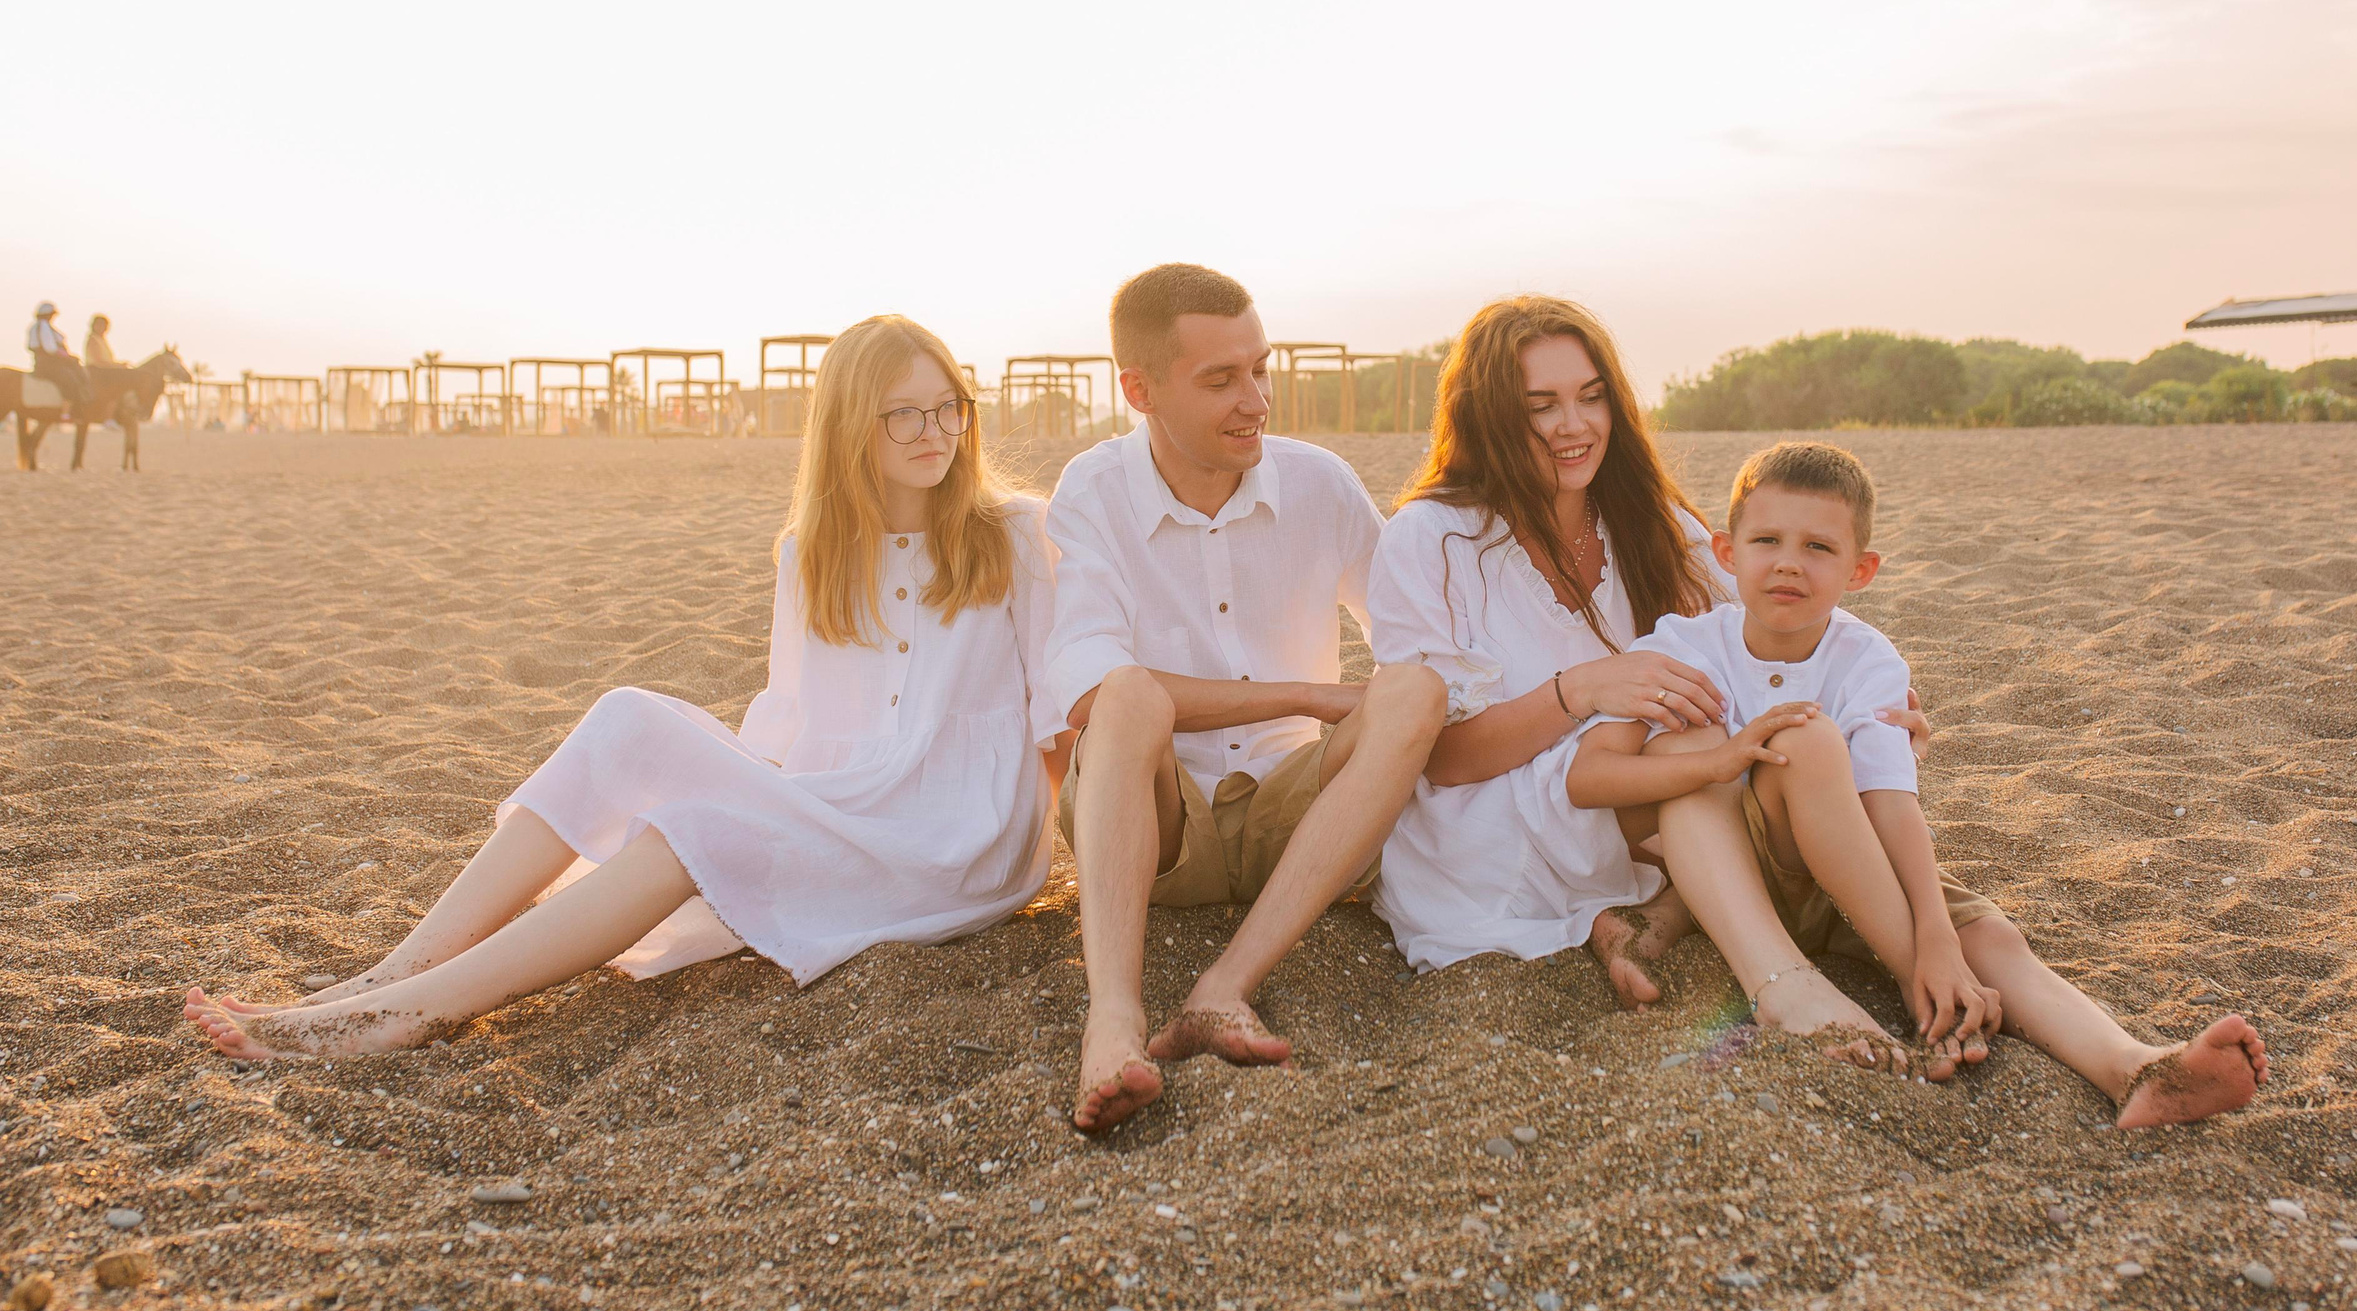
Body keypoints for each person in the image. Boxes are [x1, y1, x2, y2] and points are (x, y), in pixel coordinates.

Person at [185, 315, 1067, 1058]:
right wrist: (744, 800)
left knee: (692, 828)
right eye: (901, 414)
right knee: (628, 719)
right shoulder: (814, 551)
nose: (934, 432)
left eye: (948, 406)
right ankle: (392, 973)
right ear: (847, 427)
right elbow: (789, 716)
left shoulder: (1019, 535)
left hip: (952, 837)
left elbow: (1066, 712)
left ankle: (398, 1017)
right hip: (834, 802)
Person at [1567, 441, 2268, 1122]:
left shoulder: (1867, 658)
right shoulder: (1685, 646)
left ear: (1861, 569)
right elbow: (1588, 777)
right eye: (1767, 541)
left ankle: (2134, 1066)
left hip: (1846, 869)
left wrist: (1933, 935)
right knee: (1770, 737)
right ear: (1727, 551)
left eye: (1818, 547)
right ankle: (1852, 987)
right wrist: (1718, 761)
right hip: (1729, 878)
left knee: (1989, 940)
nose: (1788, 563)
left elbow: (1890, 801)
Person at [1046, 263, 1446, 1135]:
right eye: (1221, 379)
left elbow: (1419, 643)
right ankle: (1113, 1014)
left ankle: (1223, 987)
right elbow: (1087, 689)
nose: (1256, 400)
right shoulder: (1093, 490)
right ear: (1139, 390)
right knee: (1123, 695)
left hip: (1293, 822)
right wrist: (1305, 691)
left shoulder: (1321, 482)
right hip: (1157, 828)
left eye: (1260, 369)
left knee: (1414, 689)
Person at [1367, 296, 1737, 999]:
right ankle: (1651, 917)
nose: (1575, 427)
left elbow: (1758, 641)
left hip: (1629, 796)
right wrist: (1583, 688)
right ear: (1489, 418)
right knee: (1697, 768)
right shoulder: (1432, 538)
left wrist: (1865, 689)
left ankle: (1642, 919)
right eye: (1542, 406)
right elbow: (1441, 758)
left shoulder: (1653, 522)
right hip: (1486, 826)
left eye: (1592, 397)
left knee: (1744, 746)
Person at [25, 301, 92, 407]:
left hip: (45, 362)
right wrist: (67, 357)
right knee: (70, 380)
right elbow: (50, 349)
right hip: (49, 364)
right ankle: (68, 409)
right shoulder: (43, 326)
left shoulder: (36, 327)